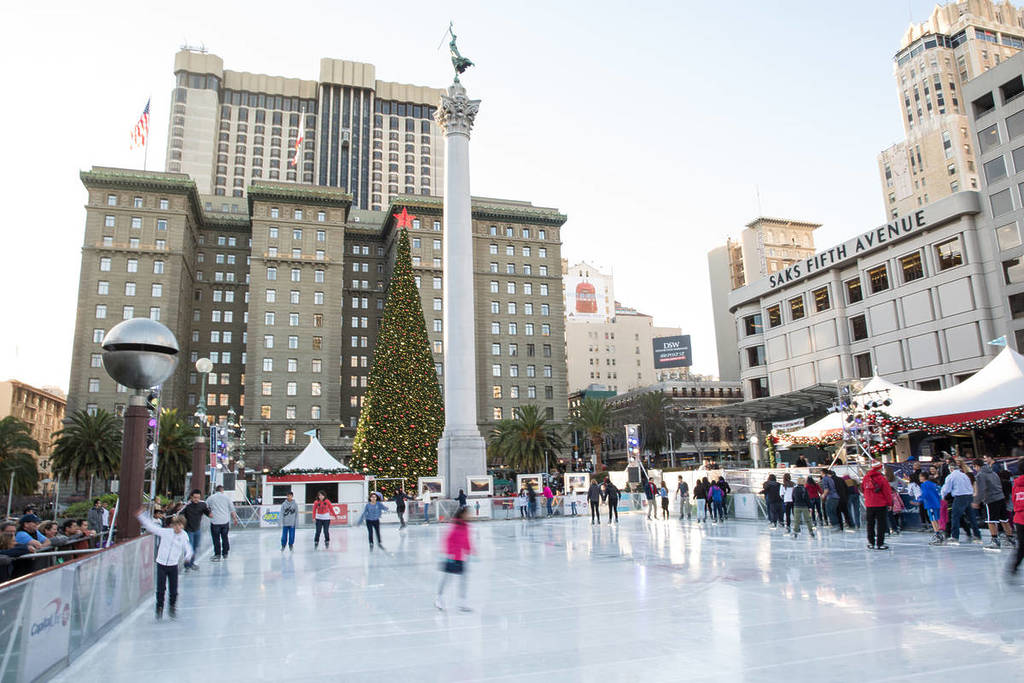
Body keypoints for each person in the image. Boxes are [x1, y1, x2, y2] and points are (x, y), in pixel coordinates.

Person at [136, 507, 193, 620]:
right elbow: (151, 527)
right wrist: (142, 516)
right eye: (175, 525)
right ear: (172, 525)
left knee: (173, 589)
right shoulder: (166, 533)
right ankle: (159, 606)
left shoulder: (183, 536)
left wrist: (187, 557)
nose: (177, 528)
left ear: (183, 526)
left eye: (180, 525)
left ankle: (172, 606)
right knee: (161, 588)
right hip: (161, 564)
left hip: (173, 565)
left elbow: (188, 548)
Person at [435, 507, 472, 611]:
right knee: (447, 579)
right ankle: (439, 598)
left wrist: (469, 551)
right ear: (462, 514)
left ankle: (462, 603)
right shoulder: (455, 525)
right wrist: (450, 554)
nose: (469, 516)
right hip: (452, 557)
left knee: (463, 581)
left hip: (461, 557)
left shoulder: (466, 526)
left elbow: (466, 540)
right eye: (467, 514)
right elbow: (447, 540)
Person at [975, 456, 1016, 549]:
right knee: (1004, 519)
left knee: (991, 520)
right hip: (1000, 498)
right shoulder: (993, 473)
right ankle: (1010, 539)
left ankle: (995, 540)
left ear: (976, 466)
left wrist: (977, 501)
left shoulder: (980, 475)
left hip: (990, 499)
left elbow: (981, 489)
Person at [940, 462, 981, 545]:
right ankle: (977, 535)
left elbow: (946, 488)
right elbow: (969, 486)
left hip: (959, 497)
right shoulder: (964, 475)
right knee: (971, 517)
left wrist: (943, 496)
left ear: (951, 469)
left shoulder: (951, 476)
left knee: (955, 517)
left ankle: (955, 537)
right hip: (969, 496)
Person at [862, 462, 892, 550]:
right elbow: (887, 492)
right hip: (880, 504)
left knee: (870, 524)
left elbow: (863, 489)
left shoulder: (865, 478)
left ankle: (871, 542)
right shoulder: (882, 478)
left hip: (869, 504)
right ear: (880, 468)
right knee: (881, 524)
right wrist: (890, 503)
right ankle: (880, 543)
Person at [206, 485, 239, 562]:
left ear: (216, 490)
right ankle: (225, 553)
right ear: (222, 490)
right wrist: (235, 518)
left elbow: (205, 506)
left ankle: (217, 554)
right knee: (225, 537)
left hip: (215, 521)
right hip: (225, 521)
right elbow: (232, 509)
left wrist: (209, 513)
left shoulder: (211, 498)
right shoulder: (227, 498)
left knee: (216, 539)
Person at [921, 472, 946, 545]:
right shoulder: (934, 485)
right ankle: (938, 534)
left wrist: (918, 500)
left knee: (933, 519)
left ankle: (938, 535)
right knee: (936, 519)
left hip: (931, 504)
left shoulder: (925, 484)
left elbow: (925, 494)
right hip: (937, 504)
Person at [1009, 473, 1024, 578]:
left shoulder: (1016, 484)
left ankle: (1014, 567)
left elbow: (1014, 500)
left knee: (1022, 546)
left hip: (1019, 518)